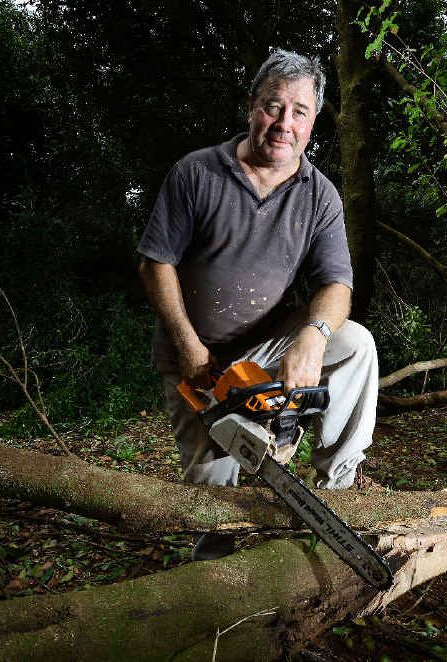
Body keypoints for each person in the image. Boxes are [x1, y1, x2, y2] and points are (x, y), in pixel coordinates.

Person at [137, 48, 377, 491]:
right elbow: (156, 264)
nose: (285, 123)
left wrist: (314, 335)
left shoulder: (319, 195)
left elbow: (336, 284)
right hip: (198, 361)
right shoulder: (197, 173)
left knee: (355, 344)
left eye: (299, 112)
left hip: (267, 347)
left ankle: (340, 485)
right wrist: (187, 344)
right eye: (273, 106)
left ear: (312, 122)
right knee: (212, 496)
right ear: (252, 107)